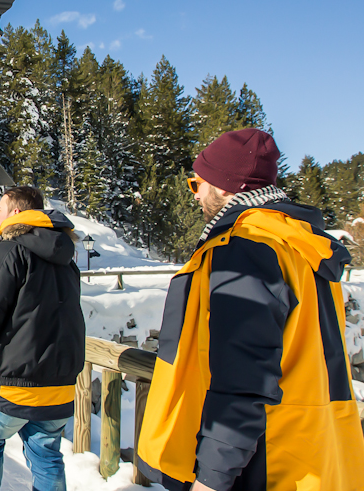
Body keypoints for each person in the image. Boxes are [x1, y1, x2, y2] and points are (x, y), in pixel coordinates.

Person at [136, 128, 364, 491]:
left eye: (197, 185)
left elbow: (242, 373)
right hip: (311, 453)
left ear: (224, 187)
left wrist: (212, 475)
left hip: (263, 462)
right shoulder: (298, 244)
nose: (196, 197)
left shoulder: (247, 247)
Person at [0, 185, 85, 491]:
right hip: (59, 386)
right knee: (47, 457)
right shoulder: (66, 258)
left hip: (11, 385)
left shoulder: (6, 251)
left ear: (16, 213)